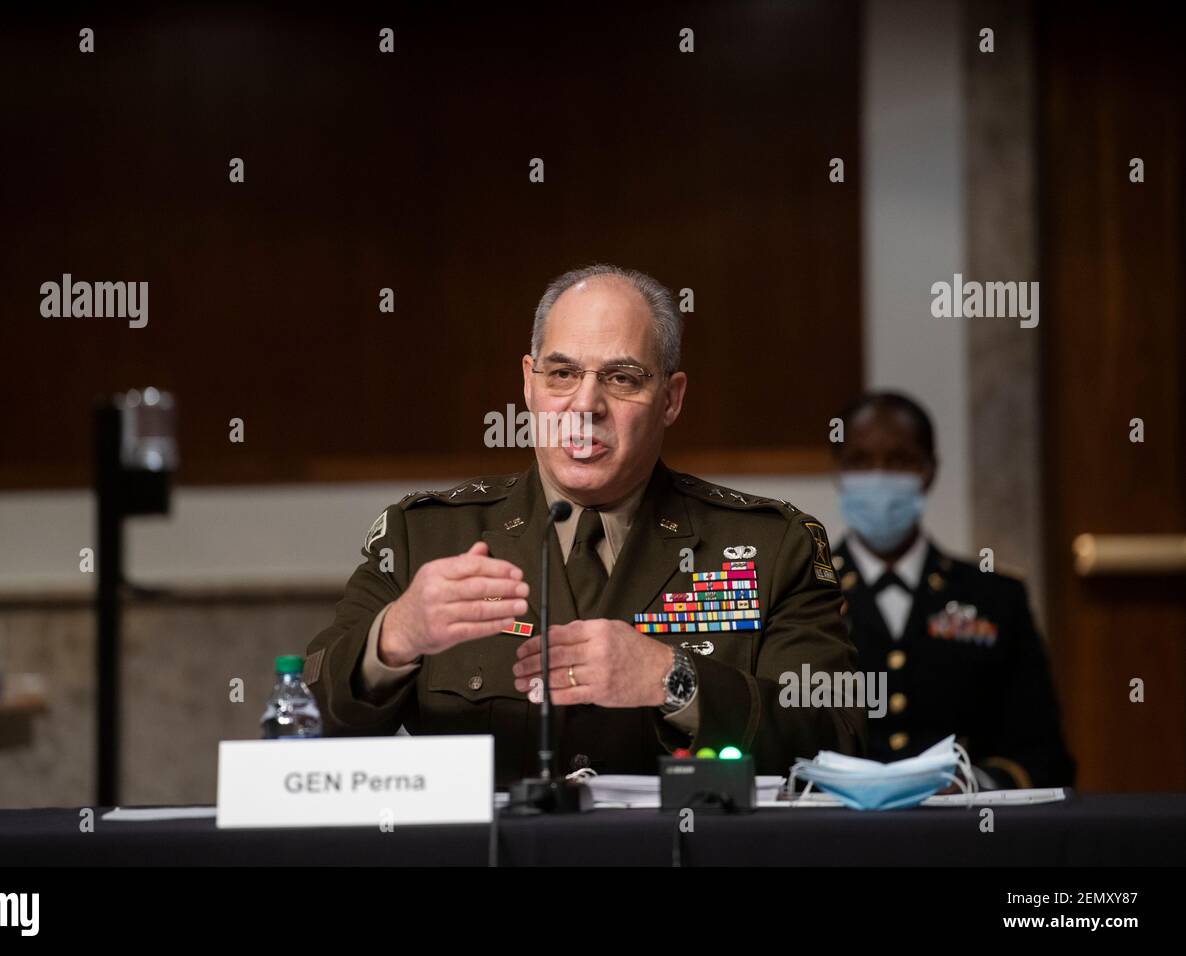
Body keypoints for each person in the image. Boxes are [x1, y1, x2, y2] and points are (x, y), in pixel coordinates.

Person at [304, 263, 865, 787]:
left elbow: (837, 743)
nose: (585, 404)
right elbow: (302, 728)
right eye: (563, 373)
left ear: (670, 398)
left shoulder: (771, 547)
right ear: (528, 383)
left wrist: (675, 681)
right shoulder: (423, 537)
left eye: (622, 378)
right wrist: (395, 637)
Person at [831, 390, 1075, 788]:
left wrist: (973, 782)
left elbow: (1044, 755)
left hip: (965, 830)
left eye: (900, 461)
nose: (879, 475)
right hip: (835, 833)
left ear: (929, 471)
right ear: (838, 471)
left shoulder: (994, 598)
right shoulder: (801, 593)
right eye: (860, 461)